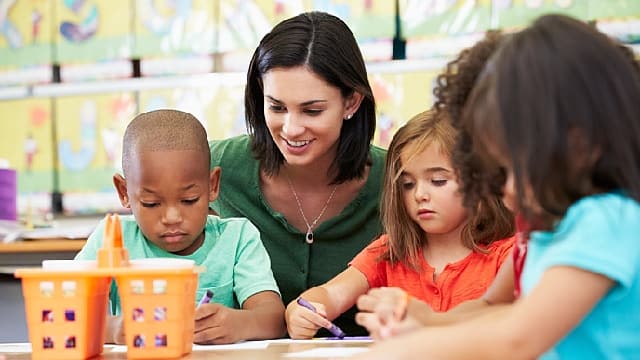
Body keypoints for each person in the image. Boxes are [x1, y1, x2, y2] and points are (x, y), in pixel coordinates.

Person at [353, 14, 640, 359]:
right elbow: (502, 312)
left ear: (577, 144)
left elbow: (518, 338)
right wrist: (426, 322)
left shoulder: (606, 220)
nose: (501, 190)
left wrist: (412, 348)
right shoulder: (552, 231)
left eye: (507, 170)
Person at [208, 11, 385, 336]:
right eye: (276, 107)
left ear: (352, 102)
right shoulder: (216, 165)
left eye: (312, 110)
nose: (290, 128)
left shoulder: (398, 179)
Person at [285, 110, 515, 339]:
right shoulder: (389, 251)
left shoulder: (509, 255)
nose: (420, 195)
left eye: (438, 181)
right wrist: (301, 311)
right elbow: (331, 294)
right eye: (407, 184)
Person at [355, 30, 517, 340]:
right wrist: (424, 320)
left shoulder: (596, 226)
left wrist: (423, 328)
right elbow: (489, 305)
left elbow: (522, 334)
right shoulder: (532, 237)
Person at [75, 109, 286, 345]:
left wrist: (240, 324)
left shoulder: (237, 238)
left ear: (212, 185)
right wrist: (113, 329)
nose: (172, 217)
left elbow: (275, 318)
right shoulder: (112, 239)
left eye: (189, 200)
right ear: (124, 192)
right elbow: (67, 313)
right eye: (151, 203)